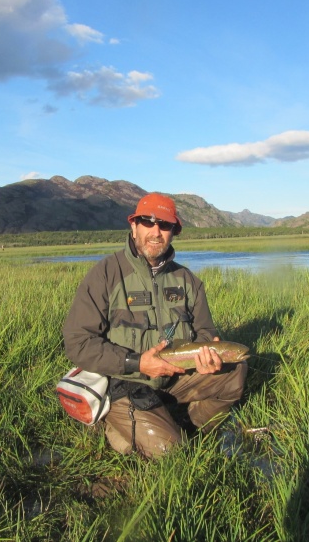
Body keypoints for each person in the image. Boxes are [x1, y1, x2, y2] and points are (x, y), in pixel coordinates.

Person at [62, 192, 248, 457]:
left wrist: (208, 357)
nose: (156, 232)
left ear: (174, 232)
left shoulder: (188, 281)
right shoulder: (105, 274)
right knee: (172, 454)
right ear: (134, 226)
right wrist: (136, 363)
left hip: (176, 378)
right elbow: (77, 343)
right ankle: (119, 425)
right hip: (126, 382)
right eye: (148, 222)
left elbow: (206, 331)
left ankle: (185, 425)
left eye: (165, 225)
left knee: (235, 373)